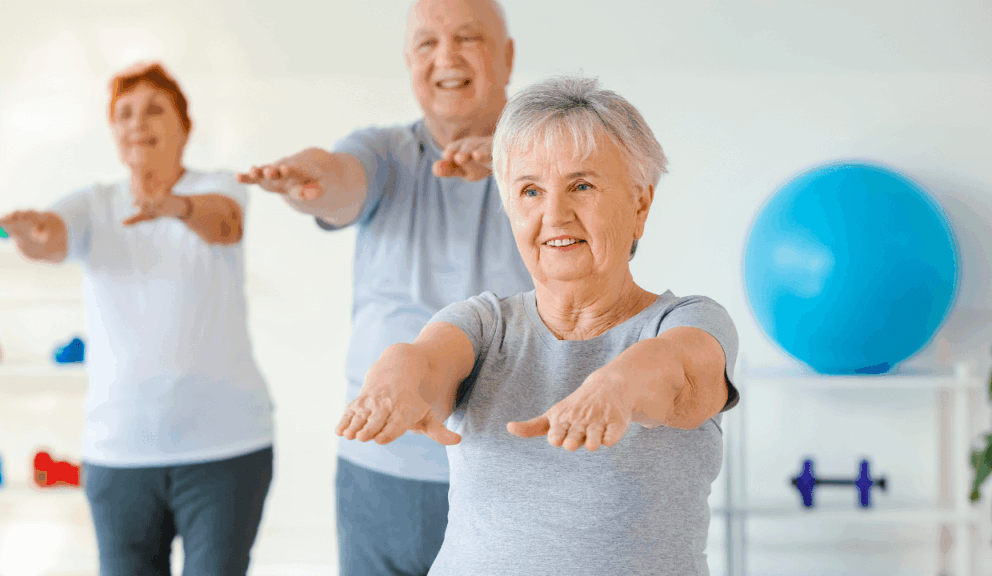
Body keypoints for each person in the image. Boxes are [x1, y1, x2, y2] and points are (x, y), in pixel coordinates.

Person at [335, 75, 741, 576]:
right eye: (530, 190)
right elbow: (425, 360)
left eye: (582, 186)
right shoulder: (485, 324)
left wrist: (614, 388)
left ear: (640, 203)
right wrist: (392, 381)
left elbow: (673, 370)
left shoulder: (688, 321)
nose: (555, 214)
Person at [236, 0, 531, 573]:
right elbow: (342, 178)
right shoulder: (385, 151)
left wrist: (518, 168)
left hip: (510, 466)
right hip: (381, 465)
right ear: (408, 62)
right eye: (427, 43)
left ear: (508, 55)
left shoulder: (552, 156)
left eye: (468, 38)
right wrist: (312, 178)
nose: (446, 56)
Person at [0, 62, 273, 576]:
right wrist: (32, 233)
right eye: (124, 114)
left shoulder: (218, 186)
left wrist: (171, 205)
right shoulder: (95, 204)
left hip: (225, 449)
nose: (137, 123)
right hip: (119, 456)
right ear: (113, 132)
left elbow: (224, 223)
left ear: (184, 127)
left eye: (153, 110)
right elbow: (52, 235)